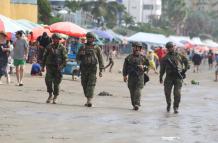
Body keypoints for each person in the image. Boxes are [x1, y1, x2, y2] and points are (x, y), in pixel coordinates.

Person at [159, 42, 190, 114]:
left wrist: (184, 70)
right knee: (167, 93)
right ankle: (169, 104)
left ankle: (176, 107)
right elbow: (162, 69)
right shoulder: (165, 58)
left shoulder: (180, 56)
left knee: (177, 93)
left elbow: (187, 62)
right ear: (167, 49)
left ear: (174, 47)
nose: (170, 48)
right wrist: (160, 77)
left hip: (178, 77)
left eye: (171, 47)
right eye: (169, 47)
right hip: (169, 77)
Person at [76, 32, 104, 107]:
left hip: (93, 68)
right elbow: (77, 58)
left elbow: (100, 59)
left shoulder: (97, 48)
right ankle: (87, 97)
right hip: (84, 68)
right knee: (84, 84)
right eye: (88, 38)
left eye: (91, 38)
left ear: (94, 39)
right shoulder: (82, 47)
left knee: (91, 84)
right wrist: (80, 55)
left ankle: (89, 100)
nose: (89, 39)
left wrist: (101, 69)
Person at [41, 33, 67, 104]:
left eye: (57, 39)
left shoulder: (62, 48)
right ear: (52, 39)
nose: (56, 40)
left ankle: (55, 96)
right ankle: (50, 94)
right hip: (49, 67)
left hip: (58, 68)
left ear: (59, 40)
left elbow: (65, 59)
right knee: (48, 81)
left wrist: (61, 66)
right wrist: (42, 66)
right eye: (54, 39)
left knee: (56, 83)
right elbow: (44, 57)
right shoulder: (49, 47)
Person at [123, 42, 149, 111]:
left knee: (138, 90)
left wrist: (143, 67)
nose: (136, 49)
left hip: (140, 76)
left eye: (138, 47)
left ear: (140, 49)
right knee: (132, 91)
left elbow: (148, 66)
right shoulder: (128, 58)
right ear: (133, 48)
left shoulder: (143, 58)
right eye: (135, 47)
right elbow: (125, 67)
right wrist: (124, 75)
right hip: (131, 77)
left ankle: (137, 104)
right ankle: (134, 104)